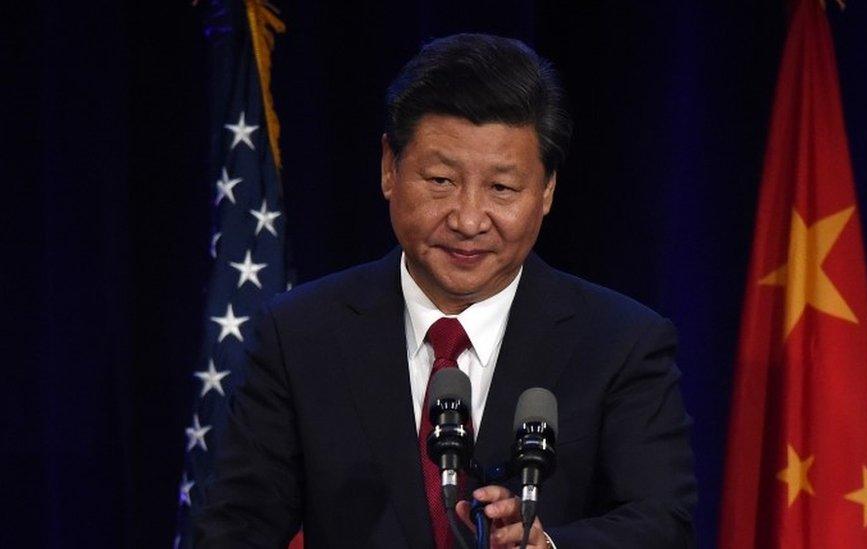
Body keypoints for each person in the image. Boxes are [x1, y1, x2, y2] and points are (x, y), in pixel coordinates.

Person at [195, 33, 696, 548]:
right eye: (440, 180)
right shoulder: (300, 333)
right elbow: (236, 528)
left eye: (502, 188)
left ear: (546, 191)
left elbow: (662, 523)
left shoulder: (620, 342)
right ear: (390, 167)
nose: (469, 219)